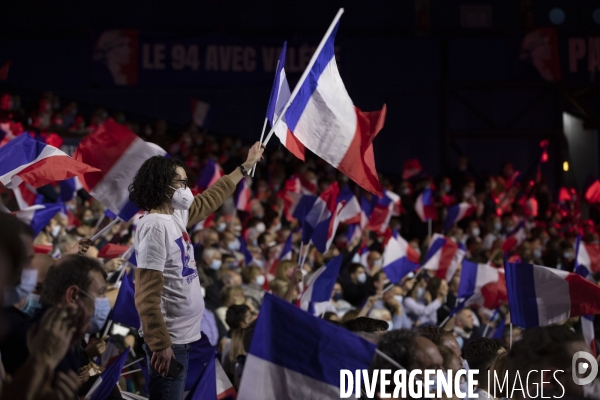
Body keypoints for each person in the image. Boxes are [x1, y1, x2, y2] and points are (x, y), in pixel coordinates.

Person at [129, 143, 263, 400]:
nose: (186, 189)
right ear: (162, 184)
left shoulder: (174, 217)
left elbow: (210, 198)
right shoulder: (155, 226)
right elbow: (146, 294)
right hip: (170, 341)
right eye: (181, 182)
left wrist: (244, 167)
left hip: (183, 337)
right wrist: (160, 343)